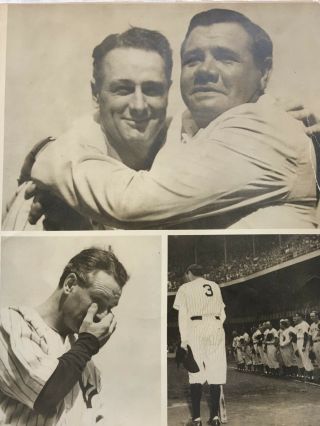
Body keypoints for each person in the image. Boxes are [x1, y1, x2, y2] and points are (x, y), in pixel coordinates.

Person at [28, 8, 319, 229]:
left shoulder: (263, 129)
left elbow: (130, 204)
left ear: (264, 72)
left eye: (225, 57)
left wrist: (47, 154)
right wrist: (65, 196)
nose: (206, 69)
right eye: (193, 59)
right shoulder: (189, 130)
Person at [2, 26, 173, 230]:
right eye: (123, 89)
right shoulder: (44, 196)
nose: (138, 105)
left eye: (151, 89)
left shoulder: (190, 162)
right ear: (96, 94)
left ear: (168, 92)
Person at [0, 247, 128, 425]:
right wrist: (87, 344)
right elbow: (44, 398)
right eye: (97, 300)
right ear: (69, 284)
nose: (103, 315)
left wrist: (85, 347)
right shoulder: (9, 324)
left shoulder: (87, 365)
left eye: (110, 308)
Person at [173, 264, 226, 426]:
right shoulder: (215, 286)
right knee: (215, 372)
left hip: (195, 326)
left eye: (186, 274)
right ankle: (215, 418)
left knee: (195, 373)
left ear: (189, 273)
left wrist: (183, 340)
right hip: (216, 326)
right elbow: (223, 313)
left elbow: (182, 315)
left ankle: (196, 420)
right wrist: (216, 326)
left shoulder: (185, 288)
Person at [293, 312, 314, 381]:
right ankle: (307, 375)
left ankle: (310, 376)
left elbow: (306, 335)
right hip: (299, 341)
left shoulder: (304, 324)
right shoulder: (297, 325)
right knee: (302, 358)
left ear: (300, 317)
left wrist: (304, 346)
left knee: (306, 358)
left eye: (297, 316)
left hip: (303, 341)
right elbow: (295, 336)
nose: (295, 318)